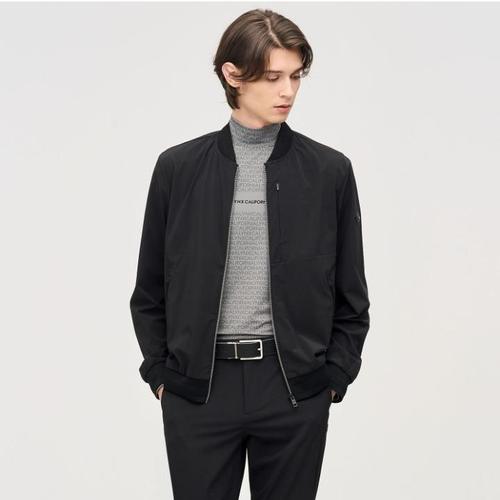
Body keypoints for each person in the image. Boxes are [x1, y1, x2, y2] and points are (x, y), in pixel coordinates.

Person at [130, 8, 370, 500]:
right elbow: (149, 290)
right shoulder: (178, 169)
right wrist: (161, 375)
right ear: (233, 75)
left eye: (296, 76)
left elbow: (352, 295)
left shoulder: (329, 172)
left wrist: (333, 378)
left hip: (293, 388)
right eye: (273, 77)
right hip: (199, 390)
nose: (288, 91)